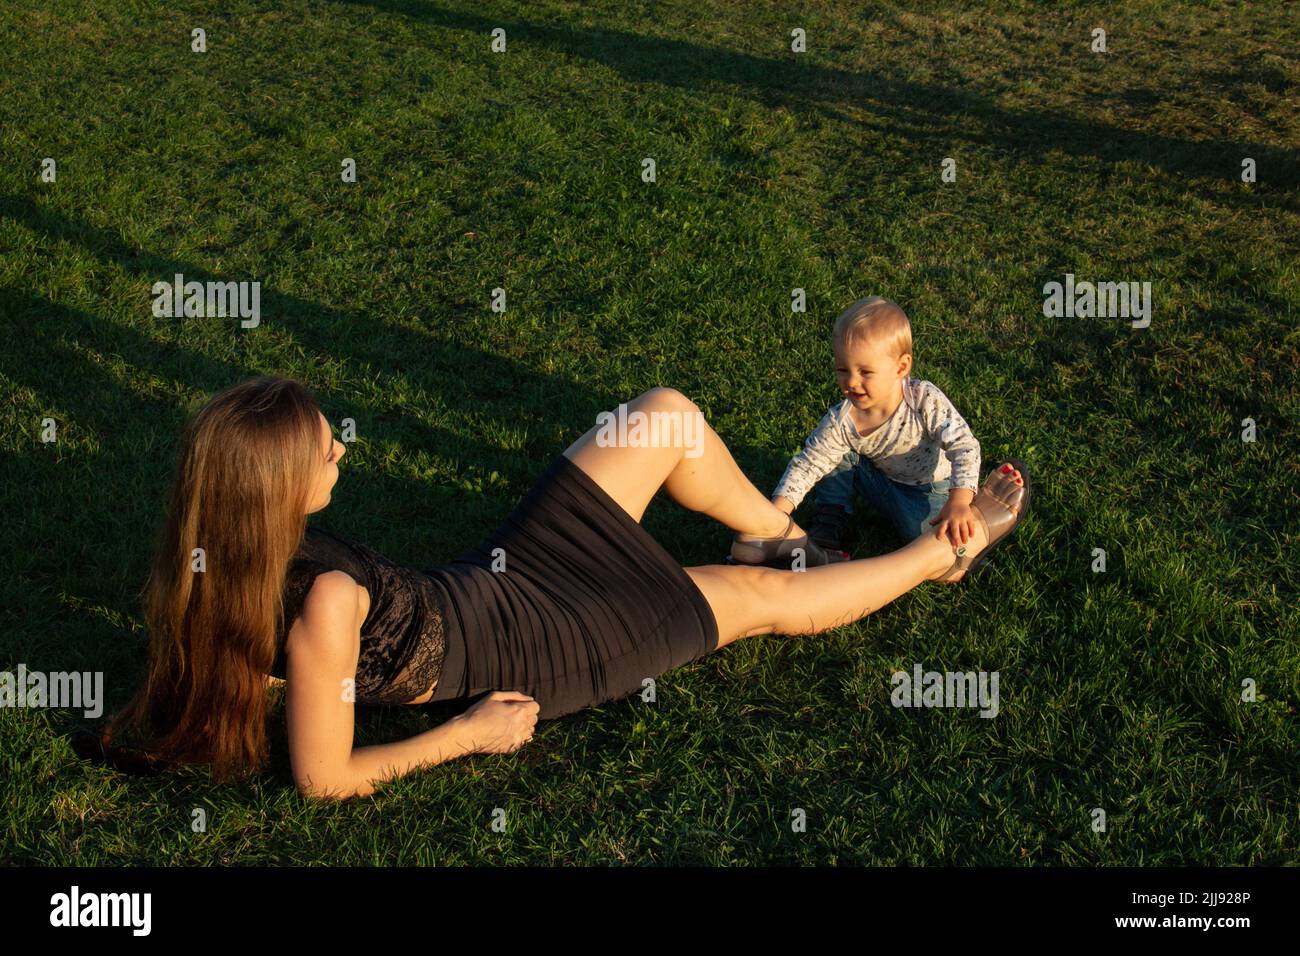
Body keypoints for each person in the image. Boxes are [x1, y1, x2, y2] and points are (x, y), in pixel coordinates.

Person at [99, 376, 1028, 801]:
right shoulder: (323, 610)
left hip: (502, 574)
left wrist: (277, 681)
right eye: (322, 448)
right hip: (539, 643)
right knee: (751, 608)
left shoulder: (223, 561)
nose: (339, 447)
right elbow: (322, 780)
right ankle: (945, 552)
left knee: (664, 419)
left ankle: (784, 538)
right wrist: (464, 735)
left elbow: (260, 663)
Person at [766, 296, 984, 557]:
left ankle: (982, 508)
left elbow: (964, 445)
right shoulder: (843, 420)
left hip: (930, 487)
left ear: (901, 367)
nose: (852, 382)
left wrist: (959, 501)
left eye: (865, 372)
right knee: (833, 453)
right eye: (842, 369)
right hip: (881, 478)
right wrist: (775, 516)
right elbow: (808, 464)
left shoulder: (923, 400)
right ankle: (832, 516)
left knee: (927, 538)